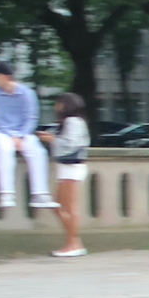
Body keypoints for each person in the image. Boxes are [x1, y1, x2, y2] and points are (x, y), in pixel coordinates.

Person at [0, 63, 54, 214]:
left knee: (38, 151)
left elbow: (31, 118)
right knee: (4, 149)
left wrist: (20, 135)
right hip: (0, 132)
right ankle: (6, 193)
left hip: (23, 133)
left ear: (6, 77)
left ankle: (40, 194)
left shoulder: (27, 94)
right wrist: (11, 135)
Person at [48, 93, 90, 258]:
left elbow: (70, 144)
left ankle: (74, 243)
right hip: (68, 168)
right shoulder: (74, 122)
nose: (56, 106)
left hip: (71, 168)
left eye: (59, 103)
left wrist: (52, 140)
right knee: (59, 206)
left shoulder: (72, 122)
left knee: (69, 208)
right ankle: (73, 241)